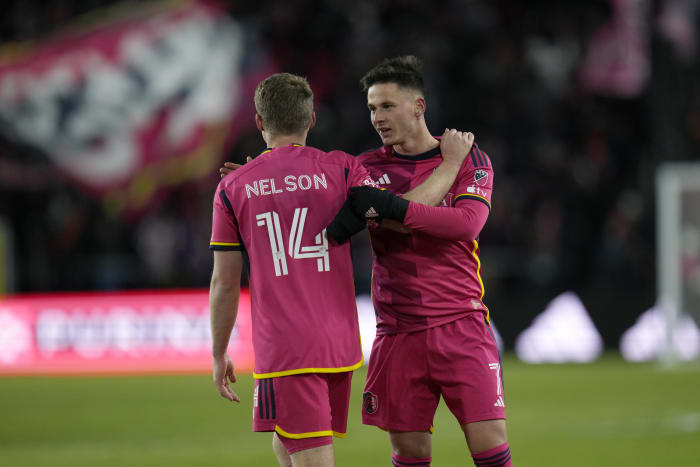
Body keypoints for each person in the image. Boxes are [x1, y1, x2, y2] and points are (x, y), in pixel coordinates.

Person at [209, 72, 472, 467]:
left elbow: (225, 283)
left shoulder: (234, 187)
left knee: (312, 456)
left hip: (286, 348)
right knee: (290, 442)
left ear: (260, 122)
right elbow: (403, 212)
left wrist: (218, 352)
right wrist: (449, 167)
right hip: (339, 345)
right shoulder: (344, 170)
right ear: (312, 119)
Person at [347, 55, 513, 467]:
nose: (377, 118)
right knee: (409, 454)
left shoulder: (474, 159)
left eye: (387, 106)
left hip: (461, 324)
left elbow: (466, 225)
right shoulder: (366, 167)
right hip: (398, 332)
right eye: (372, 108)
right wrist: (449, 167)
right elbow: (391, 222)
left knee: (491, 450)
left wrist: (394, 211)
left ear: (418, 107)